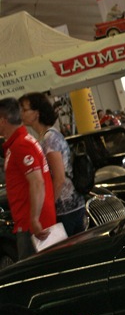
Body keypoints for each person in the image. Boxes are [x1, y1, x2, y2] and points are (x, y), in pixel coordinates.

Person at [19, 92, 87, 236]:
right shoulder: (45, 137)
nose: (21, 114)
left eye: (24, 110)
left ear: (36, 113)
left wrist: (48, 207)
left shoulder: (49, 138)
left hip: (66, 209)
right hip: (67, 206)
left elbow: (59, 178)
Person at [0, 97, 56, 260]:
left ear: (3, 121)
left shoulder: (21, 145)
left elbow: (37, 182)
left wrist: (34, 219)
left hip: (32, 225)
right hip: (29, 221)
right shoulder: (19, 143)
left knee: (34, 271)